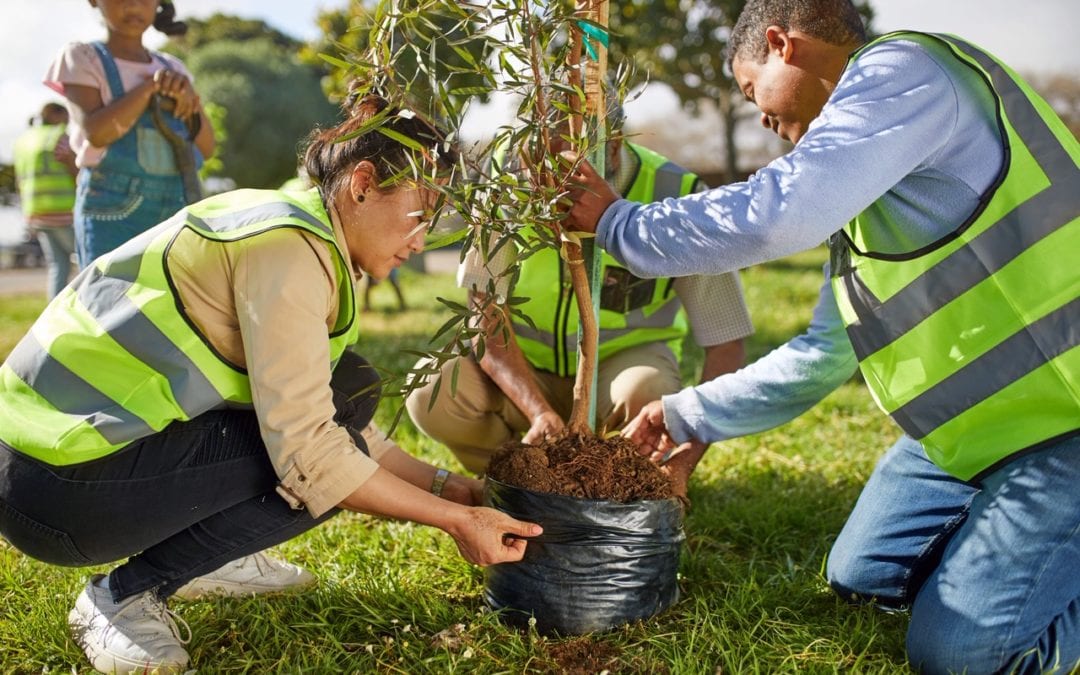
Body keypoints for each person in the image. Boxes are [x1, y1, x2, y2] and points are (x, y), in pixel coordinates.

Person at [562, 0, 1080, 672]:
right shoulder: (866, 199)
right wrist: (683, 411)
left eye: (753, 92)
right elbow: (819, 356)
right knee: (861, 578)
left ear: (783, 44)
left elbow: (779, 214)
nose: (763, 120)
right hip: (973, 438)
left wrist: (620, 224)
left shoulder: (905, 71)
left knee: (959, 654)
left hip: (1066, 424)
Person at [0, 91, 541, 673]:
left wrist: (446, 487)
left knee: (349, 390)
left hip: (49, 457)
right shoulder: (287, 250)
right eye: (419, 216)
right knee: (326, 465)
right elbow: (315, 451)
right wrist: (458, 522)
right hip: (57, 489)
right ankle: (123, 596)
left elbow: (319, 409)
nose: (421, 241)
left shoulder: (288, 221)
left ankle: (206, 556)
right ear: (362, 184)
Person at [406, 128, 753, 474]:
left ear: (613, 147)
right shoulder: (502, 183)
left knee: (647, 391)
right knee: (432, 390)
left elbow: (726, 340)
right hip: (524, 371)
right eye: (537, 166)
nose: (545, 187)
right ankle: (517, 478)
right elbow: (486, 318)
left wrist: (685, 460)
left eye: (565, 170)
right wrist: (538, 411)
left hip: (619, 373)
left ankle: (624, 483)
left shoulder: (675, 194)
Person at [44, 0, 215, 268]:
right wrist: (150, 89)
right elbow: (97, 134)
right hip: (110, 210)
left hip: (177, 205)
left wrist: (190, 100)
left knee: (174, 302)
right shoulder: (83, 58)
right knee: (111, 299)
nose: (134, 5)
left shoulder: (175, 69)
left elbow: (206, 148)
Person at [12, 102, 77, 298]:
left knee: (58, 265)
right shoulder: (58, 138)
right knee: (88, 262)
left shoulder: (24, 141)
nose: (68, 123)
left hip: (36, 213)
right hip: (64, 211)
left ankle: (52, 314)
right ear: (56, 115)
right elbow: (76, 171)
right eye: (66, 117)